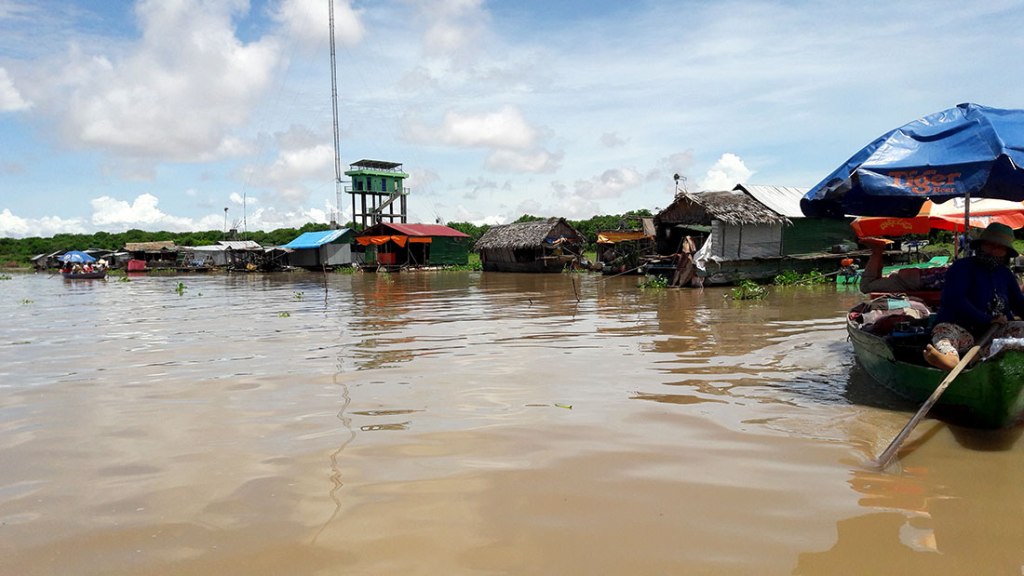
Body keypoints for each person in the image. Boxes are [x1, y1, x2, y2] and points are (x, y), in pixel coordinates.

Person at [923, 222, 1024, 370]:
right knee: (945, 333)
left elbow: (1019, 305)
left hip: (994, 334)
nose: (993, 250)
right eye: (989, 245)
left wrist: (995, 321)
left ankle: (978, 356)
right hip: (961, 328)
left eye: (1000, 247)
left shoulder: (1006, 274)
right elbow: (955, 299)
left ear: (1006, 253)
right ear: (981, 245)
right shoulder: (962, 267)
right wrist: (987, 319)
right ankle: (950, 359)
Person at [858, 237, 946, 294]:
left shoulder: (956, 270)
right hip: (912, 281)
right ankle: (877, 251)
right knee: (866, 286)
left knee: (876, 282)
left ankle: (878, 250)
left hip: (914, 276)